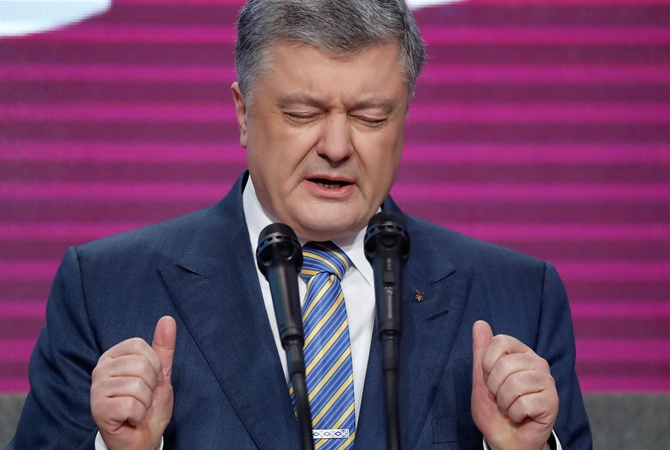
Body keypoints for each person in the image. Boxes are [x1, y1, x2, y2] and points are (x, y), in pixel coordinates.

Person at [9, 0, 592, 449]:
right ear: (243, 112)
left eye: (370, 117)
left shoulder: (518, 297)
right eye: (301, 113)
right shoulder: (106, 290)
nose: (336, 146)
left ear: (405, 118)